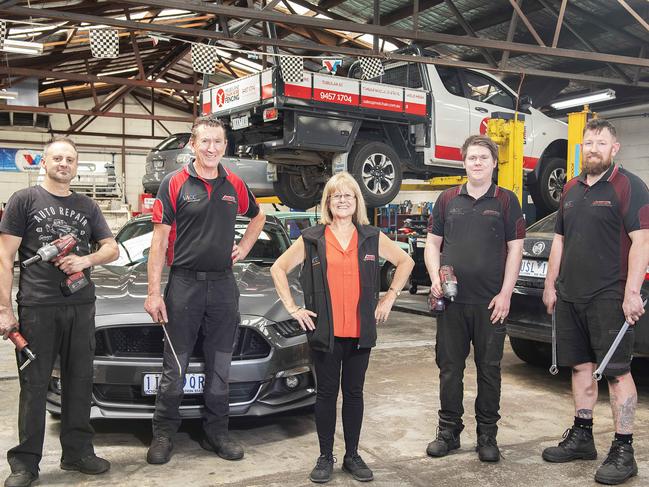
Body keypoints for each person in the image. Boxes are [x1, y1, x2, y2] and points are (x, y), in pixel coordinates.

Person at [270, 172, 414, 483]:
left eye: (349, 195)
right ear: (328, 202)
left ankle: (352, 455)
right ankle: (325, 457)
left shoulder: (371, 237)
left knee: (354, 393)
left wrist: (389, 298)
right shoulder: (312, 238)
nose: (343, 200)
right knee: (325, 395)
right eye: (337, 195)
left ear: (357, 201)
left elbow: (406, 262)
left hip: (360, 330)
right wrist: (293, 308)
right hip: (326, 332)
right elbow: (278, 268)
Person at [144, 116, 265, 465]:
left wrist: (243, 247)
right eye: (205, 142)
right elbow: (159, 241)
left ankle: (217, 432)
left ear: (225, 146)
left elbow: (257, 217)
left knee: (220, 365)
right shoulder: (175, 182)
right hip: (183, 285)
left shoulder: (234, 185)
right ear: (193, 145)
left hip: (224, 285)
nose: (212, 148)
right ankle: (164, 433)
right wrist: (154, 292)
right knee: (175, 366)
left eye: (218, 142)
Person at [0, 137, 118, 487]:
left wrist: (86, 259)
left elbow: (111, 248)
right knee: (34, 386)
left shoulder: (88, 206)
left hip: (81, 306)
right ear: (44, 163)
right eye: (57, 158)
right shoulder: (24, 200)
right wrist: (5, 310)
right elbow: (5, 258)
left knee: (80, 381)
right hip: (37, 307)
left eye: (69, 159)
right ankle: (25, 463)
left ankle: (78, 452)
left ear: (75, 166)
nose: (63, 164)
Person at [541, 119, 649, 485]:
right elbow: (559, 240)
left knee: (617, 372)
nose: (592, 149)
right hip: (570, 295)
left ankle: (624, 449)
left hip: (609, 296)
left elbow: (642, 242)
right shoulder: (570, 188)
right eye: (588, 143)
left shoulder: (629, 186)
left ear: (614, 148)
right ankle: (582, 436)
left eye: (600, 143)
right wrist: (550, 284)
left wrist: (632, 291)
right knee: (580, 367)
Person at [424, 134, 525, 463]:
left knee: (489, 370)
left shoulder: (507, 201)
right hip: (452, 303)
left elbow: (515, 250)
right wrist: (435, 278)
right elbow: (432, 244)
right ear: (463, 162)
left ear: (494, 162)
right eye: (472, 157)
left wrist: (506, 293)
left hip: (491, 304)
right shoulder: (447, 200)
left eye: (484, 157)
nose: (477, 162)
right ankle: (449, 431)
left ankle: (487, 435)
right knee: (449, 368)